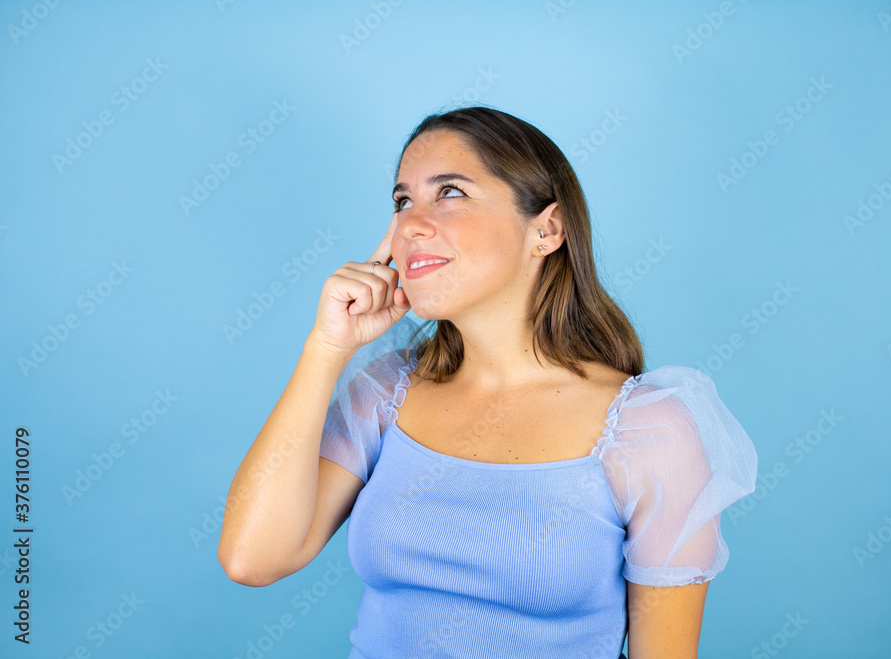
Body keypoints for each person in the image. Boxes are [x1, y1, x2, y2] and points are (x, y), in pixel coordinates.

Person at [218, 105, 758, 658]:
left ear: (546, 230)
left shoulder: (649, 429)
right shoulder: (386, 392)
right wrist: (327, 349)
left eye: (449, 192)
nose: (410, 225)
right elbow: (251, 559)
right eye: (402, 202)